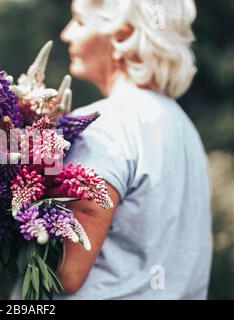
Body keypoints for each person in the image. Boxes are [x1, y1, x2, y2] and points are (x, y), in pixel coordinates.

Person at [54, 0, 212, 299]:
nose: (66, 34)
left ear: (122, 36)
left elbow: (66, 273)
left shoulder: (103, 125)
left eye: (79, 21)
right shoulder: (184, 127)